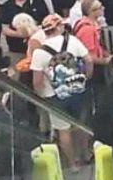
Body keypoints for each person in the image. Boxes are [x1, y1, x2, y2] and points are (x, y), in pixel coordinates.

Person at [31, 14, 92, 166]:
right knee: (81, 124)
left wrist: (40, 96)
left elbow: (37, 81)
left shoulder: (39, 52)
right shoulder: (73, 41)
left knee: (63, 130)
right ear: (60, 27)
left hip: (54, 96)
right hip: (77, 90)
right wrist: (86, 77)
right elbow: (89, 60)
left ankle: (73, 163)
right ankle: (86, 154)